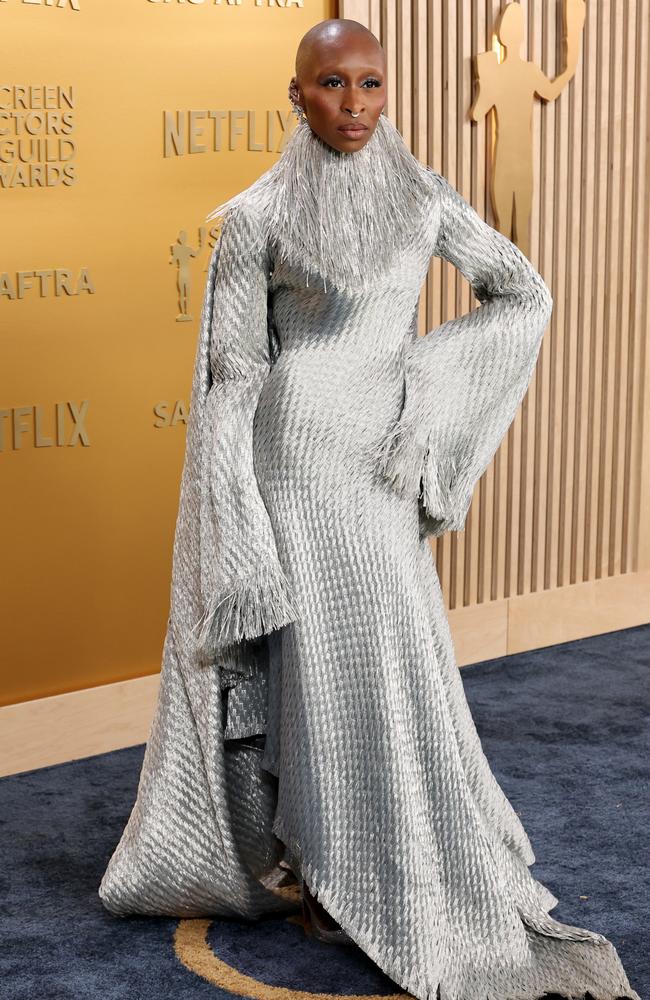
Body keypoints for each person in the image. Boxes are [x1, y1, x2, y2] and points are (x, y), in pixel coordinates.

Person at [98, 17, 640, 1000]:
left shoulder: (422, 196)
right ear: (296, 94)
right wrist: (234, 524)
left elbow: (521, 292)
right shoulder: (256, 217)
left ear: (388, 92)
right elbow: (231, 378)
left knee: (391, 656)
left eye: (370, 85)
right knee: (313, 667)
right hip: (289, 467)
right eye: (332, 85)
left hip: (375, 471)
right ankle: (317, 871)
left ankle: (374, 854)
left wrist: (423, 393)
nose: (353, 105)